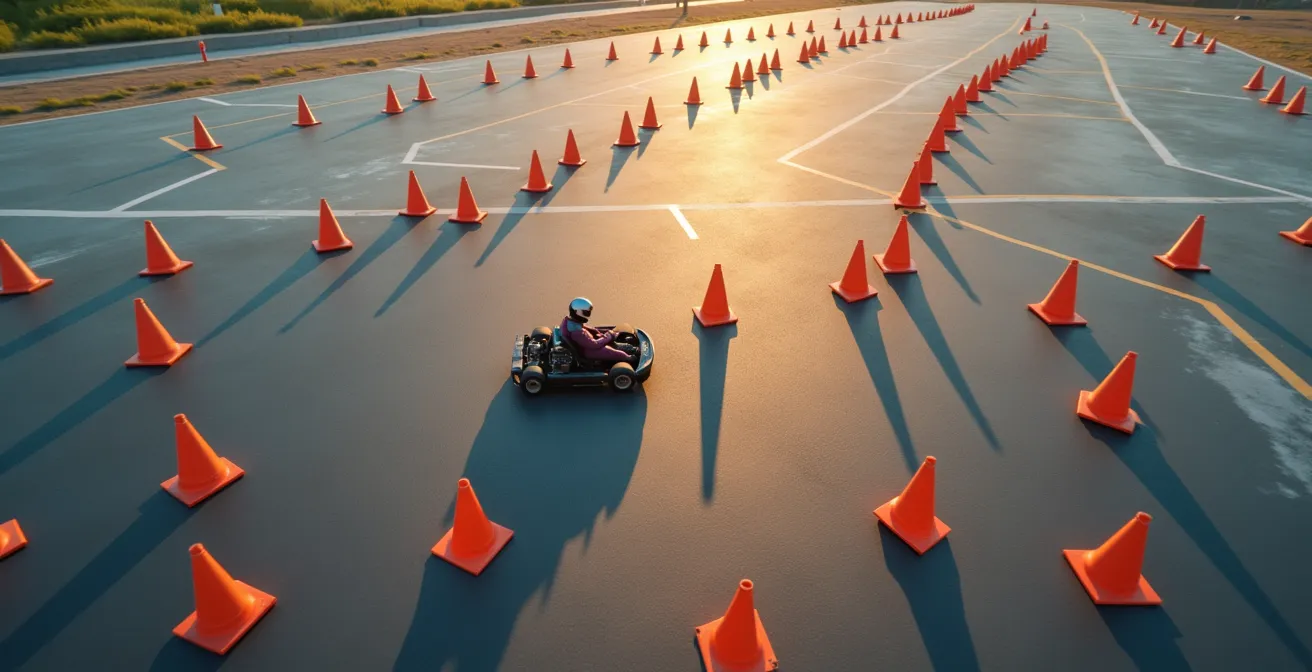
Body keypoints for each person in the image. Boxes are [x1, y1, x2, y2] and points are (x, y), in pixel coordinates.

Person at [561, 297, 638, 364]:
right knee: (613, 351)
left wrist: (603, 334)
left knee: (614, 344)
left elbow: (589, 332)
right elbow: (594, 345)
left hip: (587, 345)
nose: (587, 315)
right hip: (588, 351)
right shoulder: (576, 331)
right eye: (586, 313)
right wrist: (608, 336)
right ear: (576, 312)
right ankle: (629, 357)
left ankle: (630, 348)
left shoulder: (571, 322)